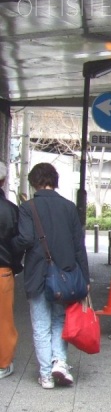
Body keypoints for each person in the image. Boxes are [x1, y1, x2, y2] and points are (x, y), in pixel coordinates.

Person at [13, 163, 90, 390]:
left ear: (34, 182)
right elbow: (79, 246)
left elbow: (25, 239)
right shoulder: (69, 207)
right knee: (59, 320)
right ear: (55, 181)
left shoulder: (28, 208)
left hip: (38, 275)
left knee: (40, 325)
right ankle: (60, 362)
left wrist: (10, 247)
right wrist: (84, 279)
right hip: (65, 276)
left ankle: (46, 375)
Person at [0, 163, 24, 380]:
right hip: (3, 272)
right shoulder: (10, 210)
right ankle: (4, 364)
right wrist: (15, 265)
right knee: (4, 321)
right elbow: (20, 242)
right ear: (4, 181)